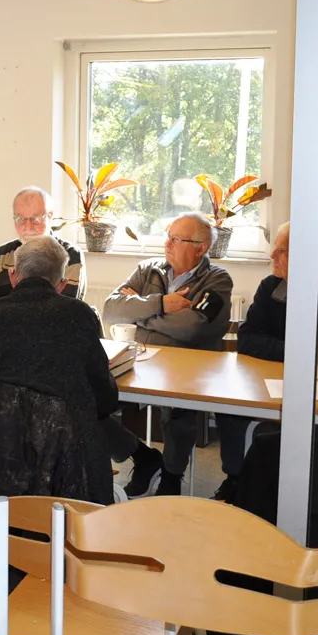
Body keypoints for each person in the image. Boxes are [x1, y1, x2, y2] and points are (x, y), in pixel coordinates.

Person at [0, 236, 153, 501]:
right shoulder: (79, 315)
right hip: (68, 458)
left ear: (13, 277)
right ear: (62, 284)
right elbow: (103, 397)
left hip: (1, 456)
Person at [213, 222, 318, 501]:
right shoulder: (270, 286)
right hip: (270, 379)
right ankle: (236, 479)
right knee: (229, 407)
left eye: (282, 251)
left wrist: (281, 348)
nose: (272, 256)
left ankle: (289, 492)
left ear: (306, 255)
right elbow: (247, 339)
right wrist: (292, 349)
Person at [103, 211, 233, 496]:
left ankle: (172, 474)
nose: (167, 243)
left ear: (200, 248)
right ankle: (142, 456)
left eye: (177, 239)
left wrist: (141, 315)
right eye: (168, 236)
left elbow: (194, 328)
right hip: (138, 361)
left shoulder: (217, 280)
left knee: (178, 411)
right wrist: (162, 304)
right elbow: (111, 310)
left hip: (187, 366)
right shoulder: (147, 269)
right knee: (92, 399)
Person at [0, 186, 87, 315]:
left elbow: (68, 312)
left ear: (50, 216)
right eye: (20, 219)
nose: (28, 227)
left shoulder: (70, 256)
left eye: (35, 219)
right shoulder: (0, 256)